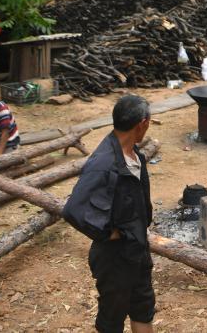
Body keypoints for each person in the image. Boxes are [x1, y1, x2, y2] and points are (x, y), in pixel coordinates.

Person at [62, 95, 155, 333]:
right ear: (142, 124)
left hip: (138, 248)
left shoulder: (134, 156)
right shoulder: (103, 163)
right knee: (112, 320)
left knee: (143, 308)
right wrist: (109, 234)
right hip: (115, 258)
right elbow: (73, 210)